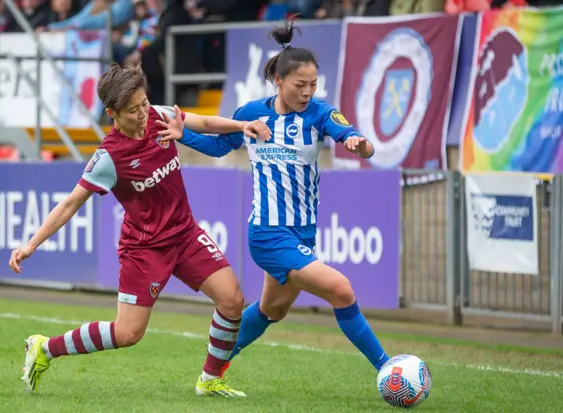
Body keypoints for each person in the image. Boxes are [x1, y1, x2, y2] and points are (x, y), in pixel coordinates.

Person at [9, 63, 271, 397]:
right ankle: (44, 348)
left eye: (145, 103)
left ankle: (210, 379)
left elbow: (203, 122)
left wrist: (240, 124)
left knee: (232, 300)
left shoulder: (158, 115)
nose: (143, 113)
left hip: (185, 235)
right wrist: (31, 245)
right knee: (128, 334)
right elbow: (71, 203)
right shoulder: (109, 157)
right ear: (112, 113)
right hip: (145, 250)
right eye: (133, 110)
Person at [157, 18, 392, 386]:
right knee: (342, 290)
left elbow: (348, 132)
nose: (307, 92)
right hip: (268, 233)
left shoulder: (319, 113)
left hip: (302, 232)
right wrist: (181, 134)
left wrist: (360, 144)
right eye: (300, 85)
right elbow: (221, 146)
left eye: (313, 85)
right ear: (279, 81)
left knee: (272, 309)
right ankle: (389, 369)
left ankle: (212, 368)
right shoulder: (252, 113)